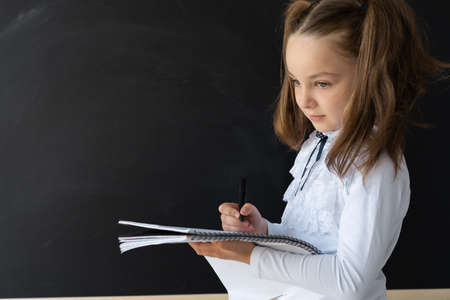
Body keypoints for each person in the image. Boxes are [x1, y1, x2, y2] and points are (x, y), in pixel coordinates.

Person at [189, 0, 450, 299]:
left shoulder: (376, 163)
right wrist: (263, 233)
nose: (304, 100)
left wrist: (251, 255)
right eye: (297, 82)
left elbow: (349, 281)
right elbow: (313, 245)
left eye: (322, 84)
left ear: (370, 76)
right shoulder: (318, 145)